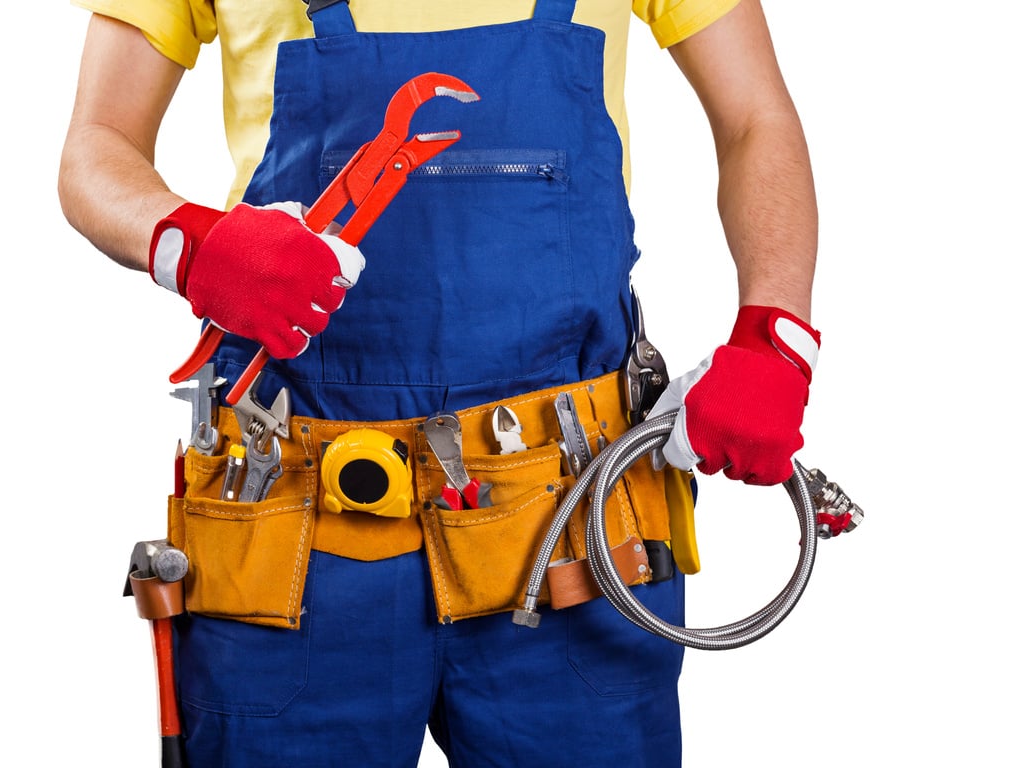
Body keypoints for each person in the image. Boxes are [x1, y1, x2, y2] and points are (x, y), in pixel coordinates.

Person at [58, 0, 820, 765]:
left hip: (572, 531)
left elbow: (756, 117)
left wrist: (775, 339)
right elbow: (97, 147)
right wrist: (191, 247)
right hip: (289, 528)